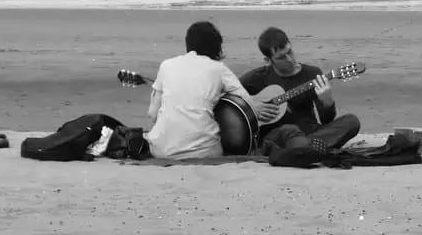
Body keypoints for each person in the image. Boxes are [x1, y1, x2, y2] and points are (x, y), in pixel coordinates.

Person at [146, 21, 265, 160]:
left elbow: (152, 115)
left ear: (188, 43)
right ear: (217, 47)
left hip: (160, 151)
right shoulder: (219, 69)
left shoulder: (166, 65)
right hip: (204, 152)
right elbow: (247, 103)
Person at [239, 26, 360, 155]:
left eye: (289, 52)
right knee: (288, 130)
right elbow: (227, 97)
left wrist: (327, 102)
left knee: (352, 121)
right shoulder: (256, 78)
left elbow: (326, 121)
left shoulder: (312, 74)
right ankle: (307, 149)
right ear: (268, 61)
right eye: (281, 57)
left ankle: (304, 148)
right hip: (278, 136)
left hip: (310, 133)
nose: (290, 59)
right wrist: (253, 105)